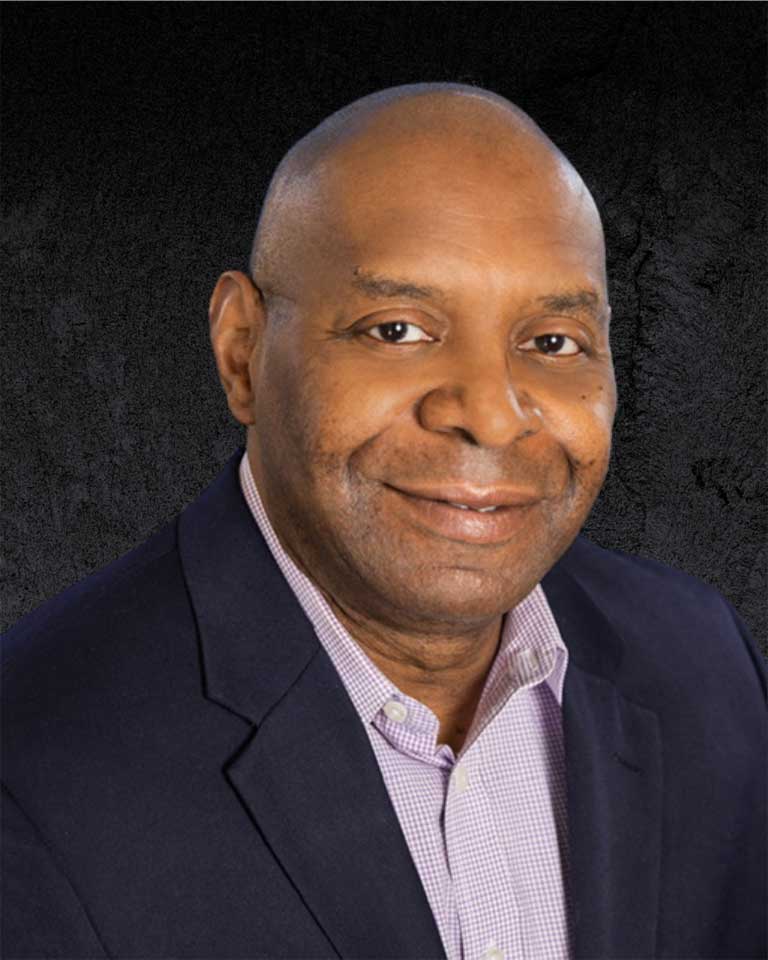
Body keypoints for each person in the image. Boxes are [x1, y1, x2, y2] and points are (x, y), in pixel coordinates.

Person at [2, 82, 765, 960]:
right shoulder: (34, 777)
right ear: (241, 351)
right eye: (397, 329)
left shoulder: (704, 665)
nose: (491, 412)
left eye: (553, 342)